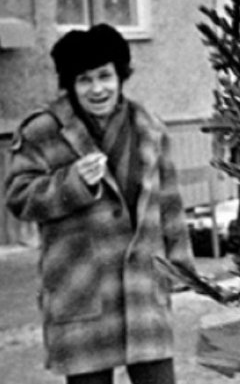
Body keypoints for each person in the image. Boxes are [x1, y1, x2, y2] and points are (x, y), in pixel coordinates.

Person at [4, 24, 195, 384]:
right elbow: (18, 197)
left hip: (143, 287)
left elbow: (169, 203)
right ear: (70, 84)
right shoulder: (43, 131)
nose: (97, 89)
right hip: (81, 289)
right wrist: (72, 183)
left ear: (120, 76)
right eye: (85, 80)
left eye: (105, 76)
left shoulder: (149, 128)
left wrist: (181, 268)